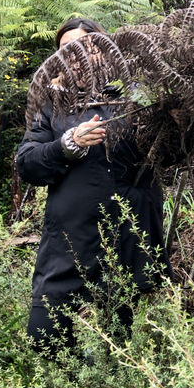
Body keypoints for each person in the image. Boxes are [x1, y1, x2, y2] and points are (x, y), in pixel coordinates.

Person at [16, 17, 170, 354]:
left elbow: (172, 152)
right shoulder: (52, 108)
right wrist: (67, 145)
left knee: (121, 349)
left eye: (80, 46)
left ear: (102, 49)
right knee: (45, 337)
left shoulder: (138, 100)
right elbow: (26, 164)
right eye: (63, 50)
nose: (72, 56)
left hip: (127, 242)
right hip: (69, 242)